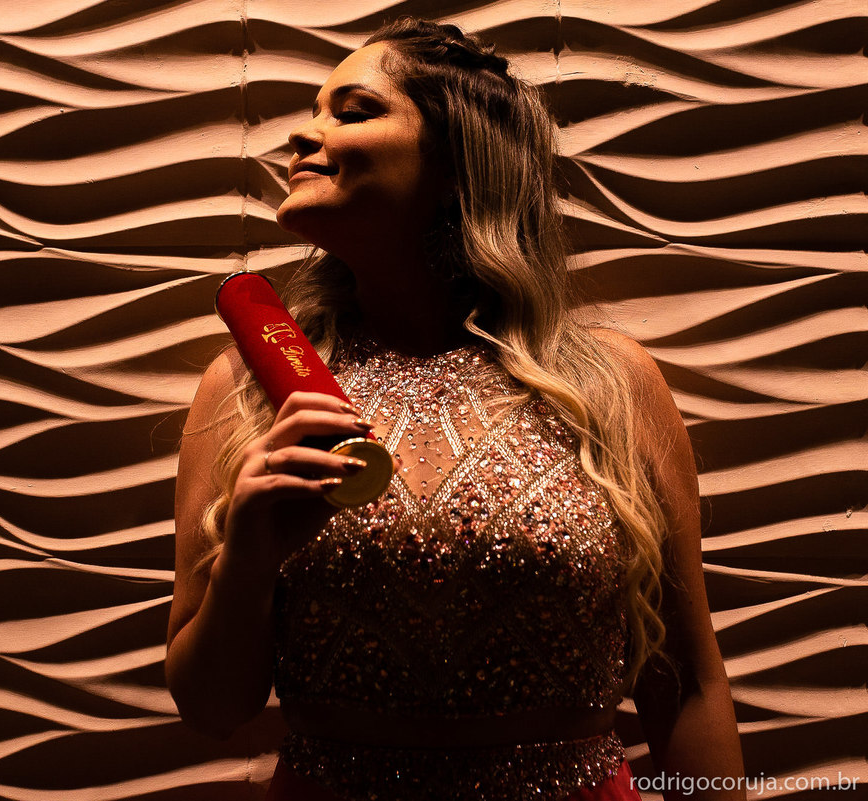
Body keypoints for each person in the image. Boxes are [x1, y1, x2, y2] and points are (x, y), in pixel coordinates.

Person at [166, 17, 745, 801]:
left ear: (456, 161)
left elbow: (690, 684)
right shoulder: (246, 386)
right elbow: (211, 710)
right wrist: (248, 554)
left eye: (353, 110)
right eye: (312, 110)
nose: (302, 133)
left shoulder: (610, 381)